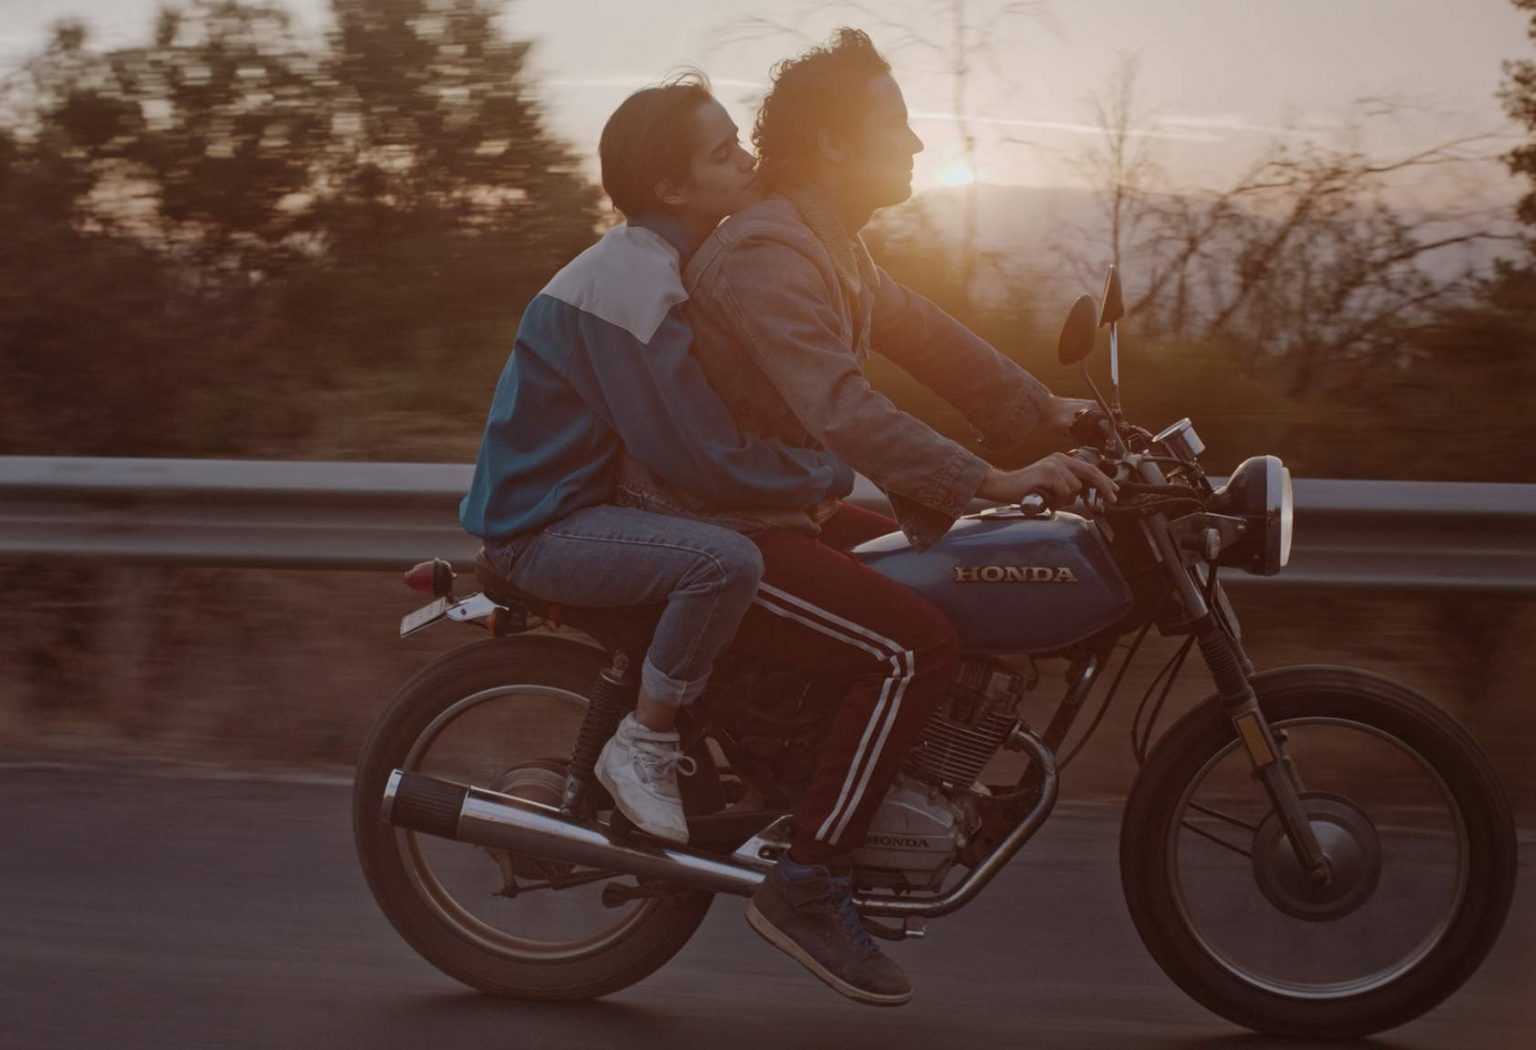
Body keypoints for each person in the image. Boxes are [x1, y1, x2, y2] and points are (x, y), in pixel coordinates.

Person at [617, 31, 1118, 1006]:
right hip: (712, 530)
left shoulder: (825, 244)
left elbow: (928, 338)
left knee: (946, 582)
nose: (920, 144)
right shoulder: (767, 253)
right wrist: (994, 475)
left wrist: (1046, 413)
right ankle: (809, 879)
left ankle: (837, 778)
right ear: (837, 148)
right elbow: (842, 406)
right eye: (894, 127)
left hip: (766, 508)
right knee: (912, 644)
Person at [459, 74, 851, 846]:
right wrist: (826, 475)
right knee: (724, 564)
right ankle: (645, 742)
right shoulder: (628, 284)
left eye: (739, 141)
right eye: (724, 151)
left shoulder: (659, 264)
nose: (747, 160)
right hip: (546, 528)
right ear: (671, 185)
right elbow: (699, 454)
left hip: (599, 505)